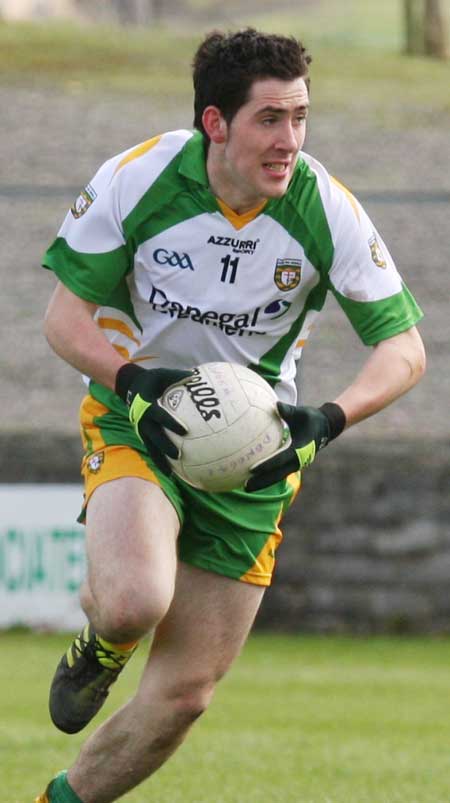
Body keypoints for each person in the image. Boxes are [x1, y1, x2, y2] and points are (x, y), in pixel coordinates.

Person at [35, 27, 425, 803]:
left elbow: (405, 349)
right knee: (135, 599)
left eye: (301, 118)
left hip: (256, 454)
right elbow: (63, 319)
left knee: (185, 697)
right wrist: (134, 382)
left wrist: (328, 420)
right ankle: (106, 639)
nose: (291, 141)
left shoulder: (324, 207)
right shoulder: (139, 178)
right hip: (138, 418)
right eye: (270, 120)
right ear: (216, 122)